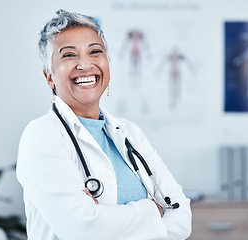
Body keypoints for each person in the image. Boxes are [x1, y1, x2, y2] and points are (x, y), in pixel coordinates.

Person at [16, 9, 192, 240]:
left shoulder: (129, 133)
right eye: (69, 55)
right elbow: (83, 229)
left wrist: (103, 217)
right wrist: (154, 211)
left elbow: (182, 220)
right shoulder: (41, 135)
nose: (85, 64)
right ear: (49, 76)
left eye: (95, 52)